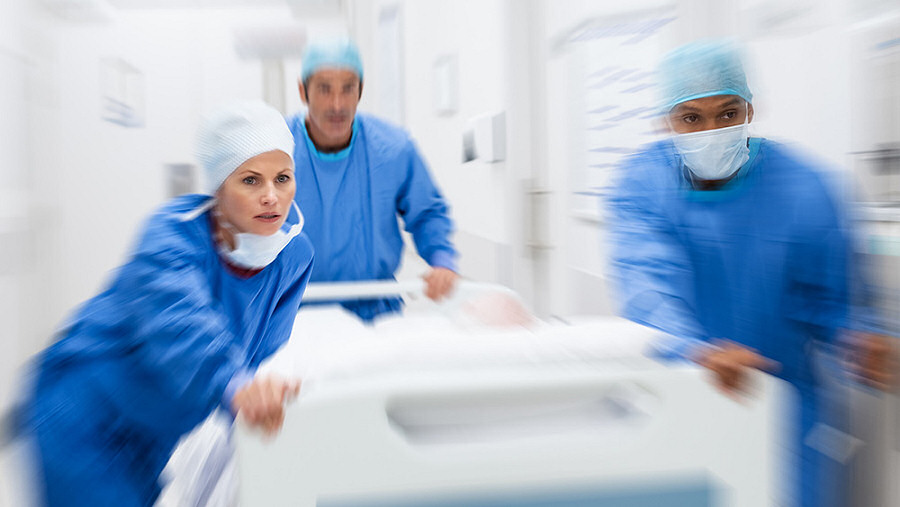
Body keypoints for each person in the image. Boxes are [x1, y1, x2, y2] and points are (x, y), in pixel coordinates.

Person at [607, 40, 895, 507]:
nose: (712, 129)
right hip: (683, 390)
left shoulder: (806, 186)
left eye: (727, 112)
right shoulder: (642, 183)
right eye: (691, 117)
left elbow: (835, 298)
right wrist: (695, 349)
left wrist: (860, 337)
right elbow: (647, 282)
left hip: (785, 404)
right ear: (666, 121)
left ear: (750, 110)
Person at [19, 100, 313, 506]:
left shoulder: (294, 256)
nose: (271, 197)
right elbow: (182, 326)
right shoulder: (170, 236)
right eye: (250, 180)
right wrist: (234, 385)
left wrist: (255, 397)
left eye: (282, 178)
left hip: (156, 430)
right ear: (218, 189)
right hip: (86, 412)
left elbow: (259, 352)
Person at [287, 38, 459, 322]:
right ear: (303, 91)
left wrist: (441, 259)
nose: (337, 104)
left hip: (375, 315)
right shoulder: (274, 150)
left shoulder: (393, 149)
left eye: (348, 88)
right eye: (324, 89)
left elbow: (427, 212)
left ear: (361, 90)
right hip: (293, 315)